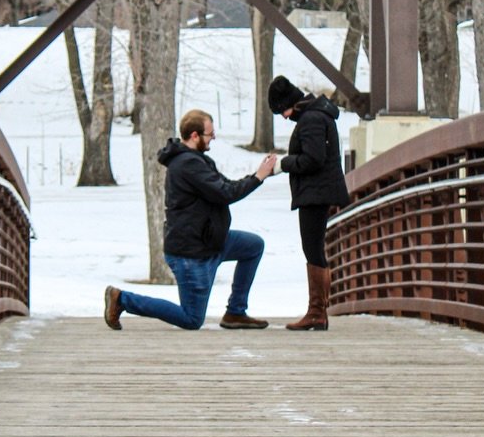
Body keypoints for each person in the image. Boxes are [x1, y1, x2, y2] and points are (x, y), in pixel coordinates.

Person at [104, 109, 278, 331]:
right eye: (210, 134)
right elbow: (225, 193)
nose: (213, 137)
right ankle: (122, 299)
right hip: (191, 253)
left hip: (211, 242)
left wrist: (258, 175)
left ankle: (235, 312)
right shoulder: (188, 164)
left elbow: (226, 186)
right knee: (192, 319)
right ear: (194, 136)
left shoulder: (198, 161)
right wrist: (259, 177)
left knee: (253, 246)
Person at [267, 75, 350, 330]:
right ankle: (318, 312)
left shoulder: (311, 119)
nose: (284, 117)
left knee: (312, 250)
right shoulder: (316, 115)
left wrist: (284, 163)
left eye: (282, 111)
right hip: (318, 192)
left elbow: (313, 159)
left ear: (289, 103)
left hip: (316, 194)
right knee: (314, 249)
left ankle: (317, 312)